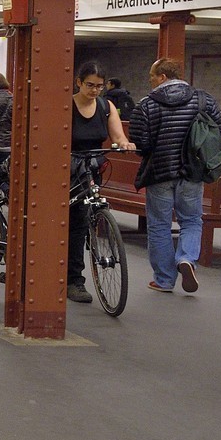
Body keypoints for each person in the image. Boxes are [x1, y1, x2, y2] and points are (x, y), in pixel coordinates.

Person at [128, 57, 221, 294]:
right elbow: (220, 131)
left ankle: (163, 280)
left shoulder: (146, 104)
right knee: (191, 220)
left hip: (159, 173)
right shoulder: (203, 99)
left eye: (152, 77)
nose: (150, 82)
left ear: (162, 77)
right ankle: (186, 259)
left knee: (159, 225)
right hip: (193, 172)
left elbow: (140, 142)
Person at [67, 61, 134, 304]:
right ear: (78, 82)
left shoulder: (106, 107)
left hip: (90, 168)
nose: (95, 90)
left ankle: (74, 280)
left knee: (80, 222)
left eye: (99, 86)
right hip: (64, 167)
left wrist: (124, 144)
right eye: (89, 85)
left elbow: (118, 136)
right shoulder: (67, 105)